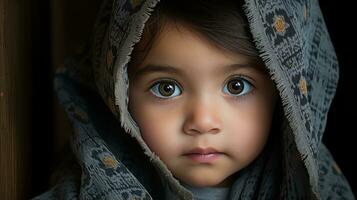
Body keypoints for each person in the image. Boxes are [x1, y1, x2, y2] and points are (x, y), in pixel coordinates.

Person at [32, 0, 355, 199]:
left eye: (237, 85)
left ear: (286, 95)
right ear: (119, 92)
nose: (202, 121)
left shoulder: (318, 191)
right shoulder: (85, 188)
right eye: (167, 88)